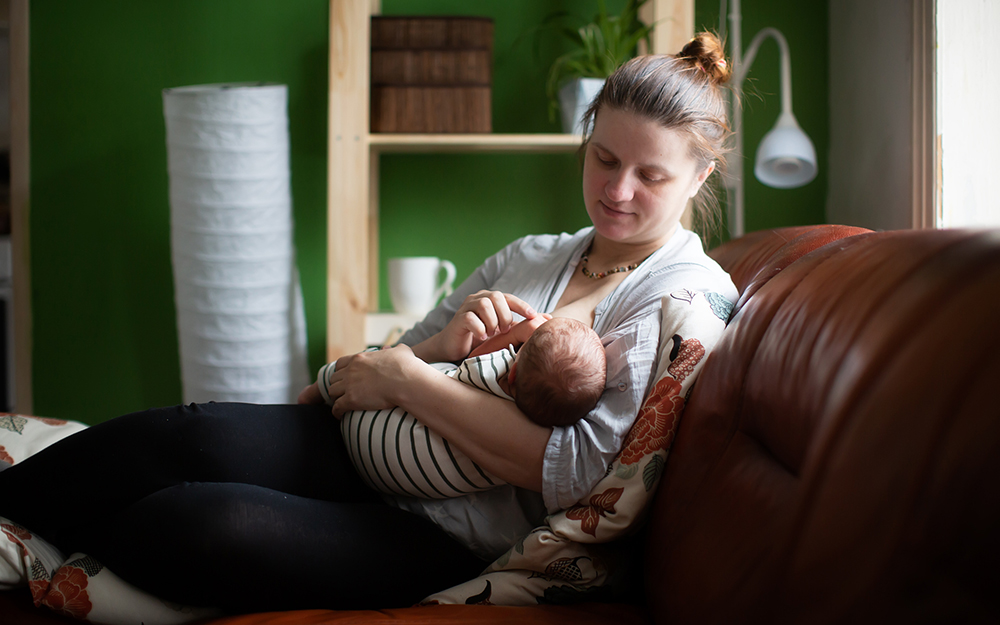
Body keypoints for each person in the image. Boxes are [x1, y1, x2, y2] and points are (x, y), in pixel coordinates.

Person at [0, 33, 738, 614]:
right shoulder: (531, 255)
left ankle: (41, 547)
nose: (616, 189)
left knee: (200, 523)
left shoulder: (679, 299)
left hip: (446, 530)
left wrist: (410, 378)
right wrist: (432, 351)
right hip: (361, 447)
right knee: (184, 433)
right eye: (604, 158)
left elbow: (576, 472)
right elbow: (390, 357)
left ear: (701, 177)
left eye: (650, 175)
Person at [300, 316, 607, 500]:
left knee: (378, 358)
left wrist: (514, 335)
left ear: (513, 372)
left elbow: (473, 356)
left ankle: (314, 391)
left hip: (369, 429)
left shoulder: (495, 371)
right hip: (392, 476)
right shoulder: (535, 431)